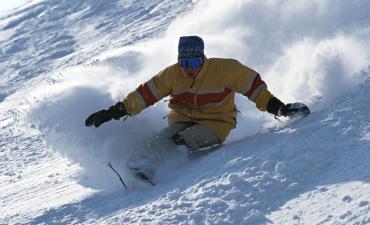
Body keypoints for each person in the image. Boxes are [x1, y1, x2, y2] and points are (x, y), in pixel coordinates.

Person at [85, 36, 309, 182]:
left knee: (179, 140)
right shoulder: (172, 75)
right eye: (184, 63)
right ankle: (140, 170)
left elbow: (255, 89)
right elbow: (145, 95)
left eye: (193, 63)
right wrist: (114, 111)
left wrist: (281, 108)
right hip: (181, 118)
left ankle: (160, 169)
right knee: (159, 139)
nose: (189, 69)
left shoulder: (225, 69)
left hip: (216, 124)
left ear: (203, 58)